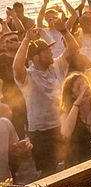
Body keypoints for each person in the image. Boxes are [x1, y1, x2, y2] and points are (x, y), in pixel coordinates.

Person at [13, 26, 80, 176]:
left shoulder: (56, 66)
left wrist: (64, 30)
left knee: (71, 164)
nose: (51, 52)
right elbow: (17, 66)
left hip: (62, 125)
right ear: (36, 57)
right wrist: (26, 39)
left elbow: (73, 49)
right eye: (47, 51)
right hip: (40, 132)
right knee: (48, 171)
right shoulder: (28, 76)